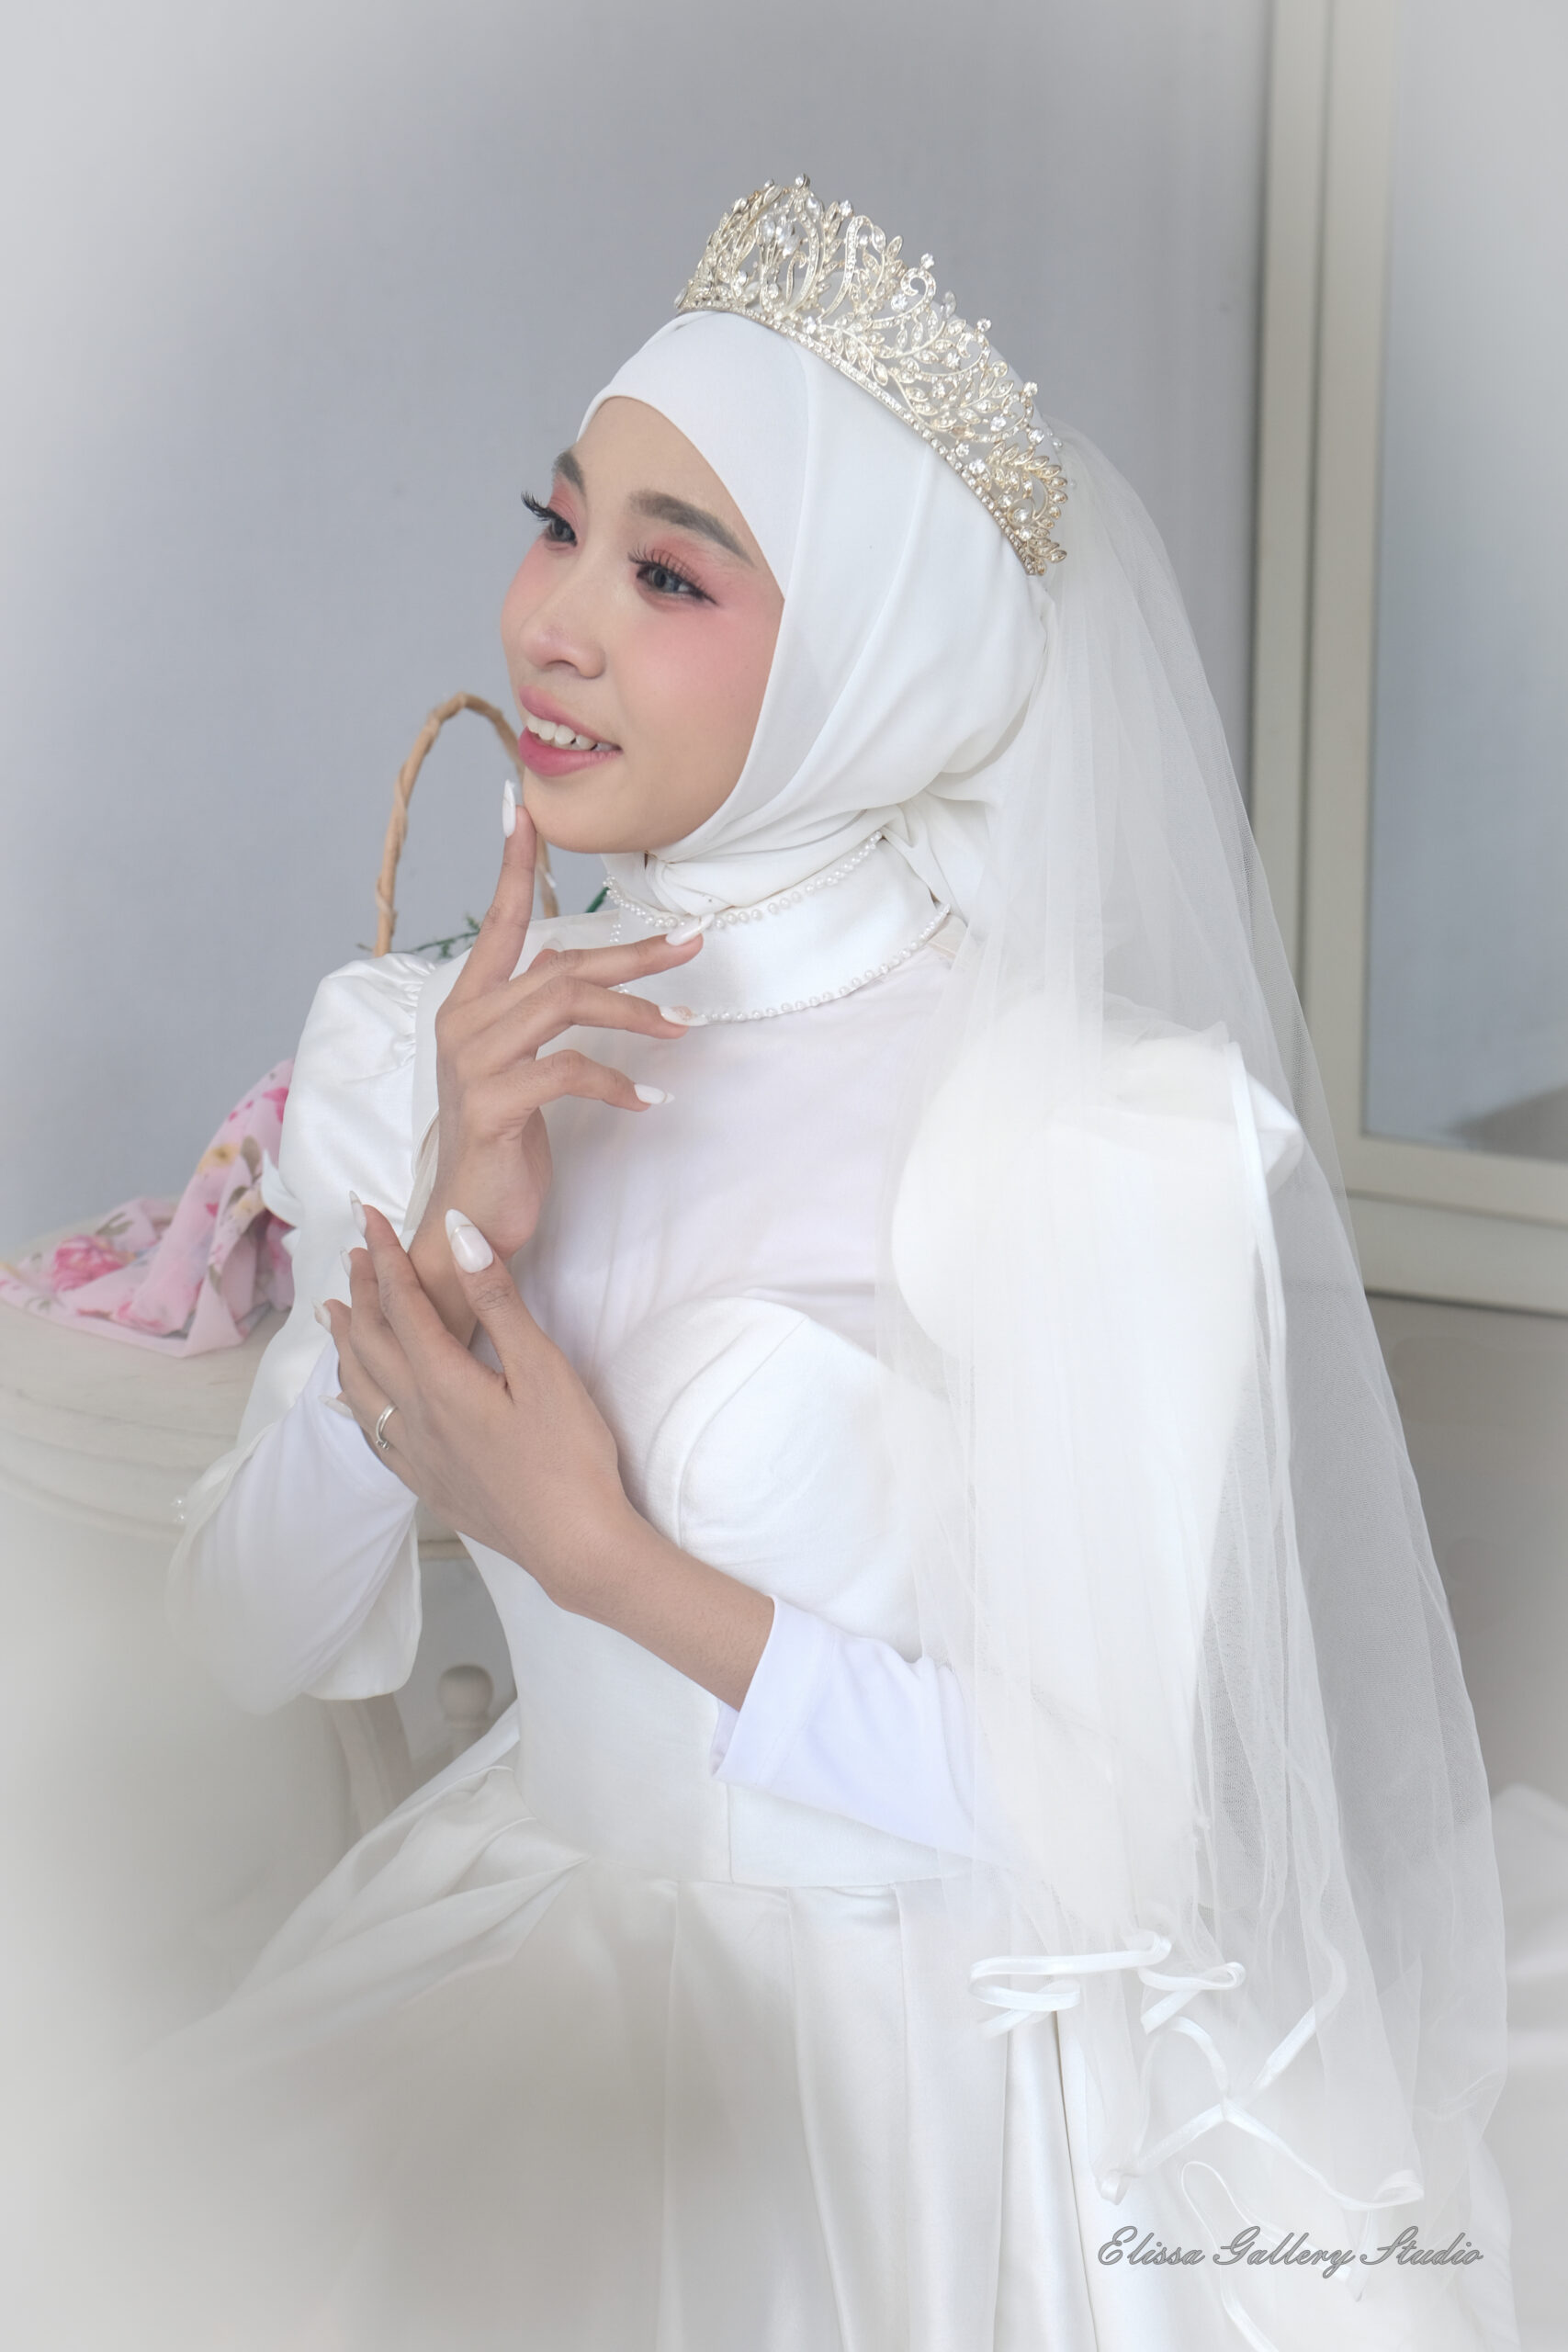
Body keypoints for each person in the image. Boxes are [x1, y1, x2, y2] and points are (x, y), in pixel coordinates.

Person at [41, 180, 1516, 2350]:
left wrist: (606, 1558)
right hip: (520, 1945)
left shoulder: (1079, 1128)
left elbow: (1109, 1829)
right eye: (556, 524)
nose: (554, 622)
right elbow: (246, 1634)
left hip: (919, 2076)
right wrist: (451, 1220)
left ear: (865, 652)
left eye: (666, 572)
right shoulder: (429, 1043)